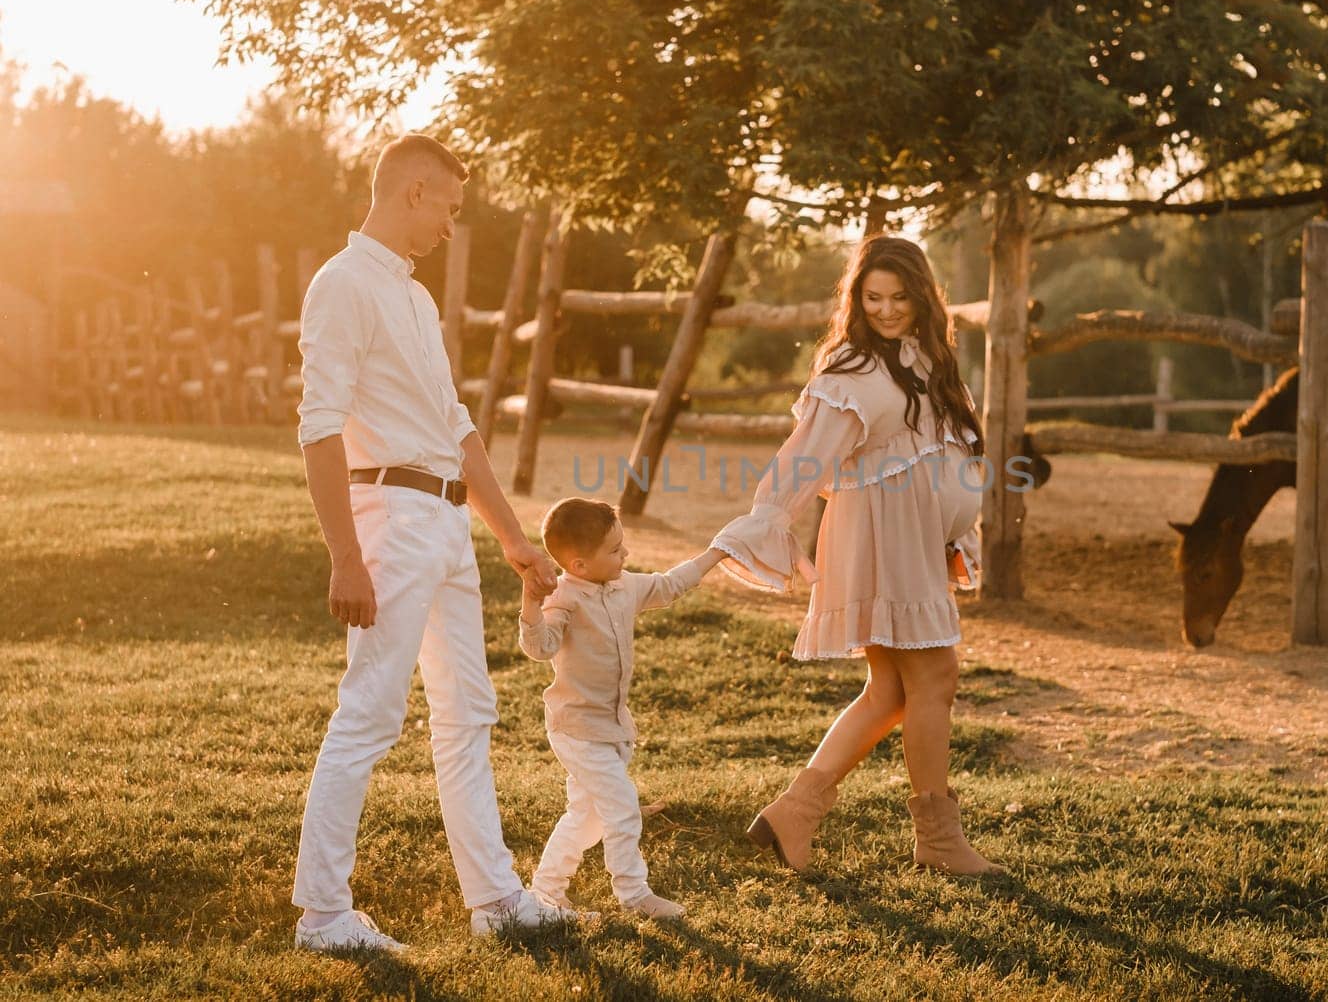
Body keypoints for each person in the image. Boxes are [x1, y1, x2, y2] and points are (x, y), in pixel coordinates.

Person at [292, 133, 574, 951]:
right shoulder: (342, 285)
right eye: (448, 207)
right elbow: (317, 430)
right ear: (413, 192)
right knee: (370, 713)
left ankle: (495, 900)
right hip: (390, 519)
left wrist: (515, 542)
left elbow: (457, 428)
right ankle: (323, 916)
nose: (452, 225)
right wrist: (345, 555)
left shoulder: (412, 298)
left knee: (467, 716)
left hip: (447, 523)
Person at [712, 235, 1005, 875]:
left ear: (923, 295)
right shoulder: (854, 369)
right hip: (880, 535)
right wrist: (768, 521)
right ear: (857, 298)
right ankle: (938, 840)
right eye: (873, 298)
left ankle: (795, 811)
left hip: (914, 539)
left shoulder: (926, 358)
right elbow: (806, 453)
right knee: (934, 679)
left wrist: (953, 527)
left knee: (892, 690)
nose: (888, 309)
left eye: (900, 296)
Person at [518, 498, 726, 920]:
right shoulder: (564, 598)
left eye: (622, 546)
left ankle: (545, 890)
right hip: (576, 729)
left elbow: (669, 585)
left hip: (612, 728)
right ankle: (634, 894)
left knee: (587, 816)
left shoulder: (624, 586)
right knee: (621, 804)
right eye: (614, 551)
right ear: (578, 565)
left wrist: (716, 553)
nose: (625, 555)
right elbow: (540, 647)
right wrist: (530, 603)